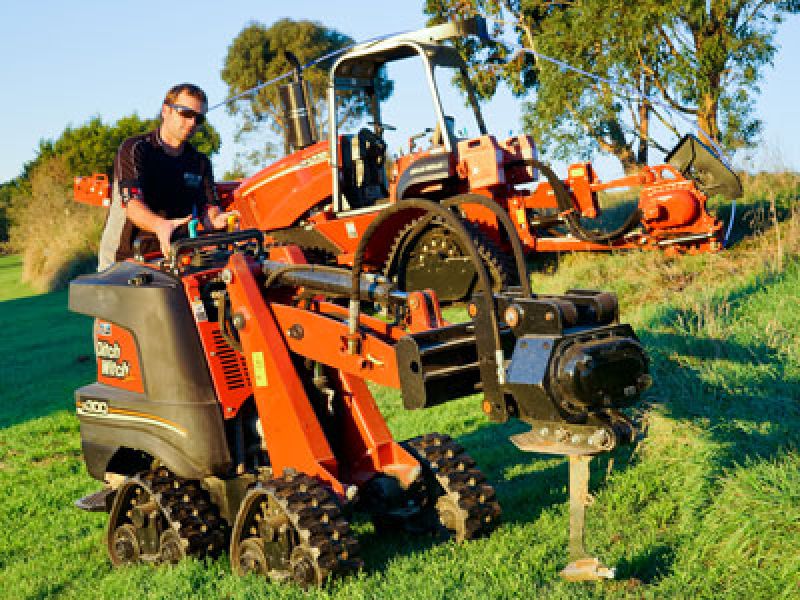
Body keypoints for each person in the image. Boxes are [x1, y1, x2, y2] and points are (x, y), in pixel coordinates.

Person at [98, 83, 237, 270]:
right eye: (186, 113)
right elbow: (132, 204)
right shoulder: (135, 149)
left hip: (173, 259)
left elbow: (208, 207)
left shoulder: (200, 162)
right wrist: (160, 225)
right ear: (166, 110)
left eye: (199, 118)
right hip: (124, 260)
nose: (192, 123)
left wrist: (216, 219)